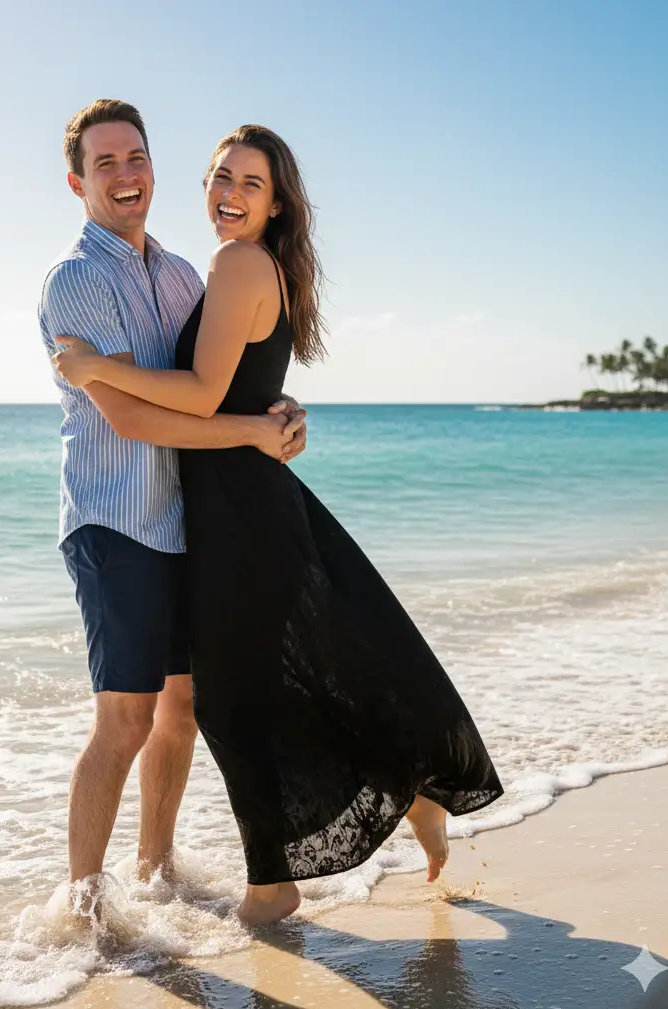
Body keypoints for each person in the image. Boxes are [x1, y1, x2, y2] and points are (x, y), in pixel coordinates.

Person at [54, 124, 505, 925]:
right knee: (196, 701)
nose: (228, 191)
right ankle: (100, 904)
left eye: (249, 182)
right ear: (78, 181)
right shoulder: (86, 280)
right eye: (222, 176)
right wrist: (263, 422)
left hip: (215, 512)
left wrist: (260, 419)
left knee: (226, 700)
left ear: (277, 200)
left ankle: (266, 877)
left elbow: (199, 391)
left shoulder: (208, 268)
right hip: (133, 519)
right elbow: (143, 414)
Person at [38, 101, 309, 906]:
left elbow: (213, 383)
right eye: (106, 164)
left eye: (136, 158)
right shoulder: (77, 278)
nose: (126, 176)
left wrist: (278, 408)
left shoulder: (186, 273)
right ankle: (83, 908)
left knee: (181, 709)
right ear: (77, 182)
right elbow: (126, 416)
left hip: (183, 520)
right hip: (114, 520)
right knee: (124, 718)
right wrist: (252, 434)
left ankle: (154, 874)